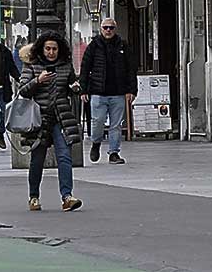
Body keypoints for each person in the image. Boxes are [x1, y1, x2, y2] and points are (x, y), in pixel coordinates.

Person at [17, 32, 83, 212]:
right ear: (42, 49)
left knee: (64, 156)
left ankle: (67, 196)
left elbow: (71, 86)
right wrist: (37, 81)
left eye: (54, 49)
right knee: (37, 159)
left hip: (61, 118)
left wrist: (75, 88)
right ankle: (34, 197)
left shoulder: (65, 66)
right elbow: (22, 90)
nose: (51, 52)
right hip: (39, 119)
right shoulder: (32, 65)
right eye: (48, 48)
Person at [80, 17, 138, 165]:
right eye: (105, 27)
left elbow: (131, 69)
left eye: (111, 28)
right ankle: (96, 143)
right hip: (98, 92)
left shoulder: (123, 46)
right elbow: (85, 69)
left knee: (116, 125)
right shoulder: (93, 46)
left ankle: (114, 153)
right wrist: (83, 90)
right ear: (101, 29)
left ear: (115, 29)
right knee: (97, 122)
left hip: (118, 92)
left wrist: (132, 90)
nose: (108, 30)